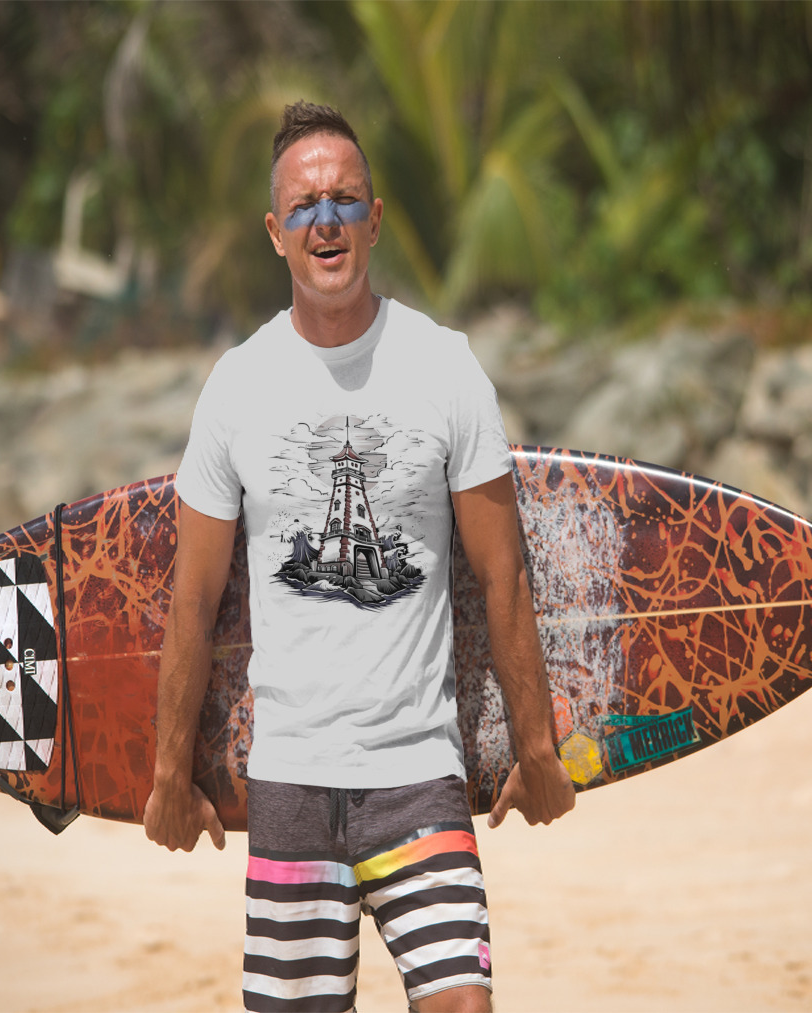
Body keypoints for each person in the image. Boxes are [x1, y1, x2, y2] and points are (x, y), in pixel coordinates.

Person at [144, 100, 575, 1013]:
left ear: (374, 219)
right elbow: (193, 600)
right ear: (275, 232)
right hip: (292, 780)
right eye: (304, 206)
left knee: (464, 1003)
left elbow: (503, 575)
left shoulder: (446, 367)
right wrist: (166, 773)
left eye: (345, 200)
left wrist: (536, 746)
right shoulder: (237, 387)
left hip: (419, 773)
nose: (326, 220)